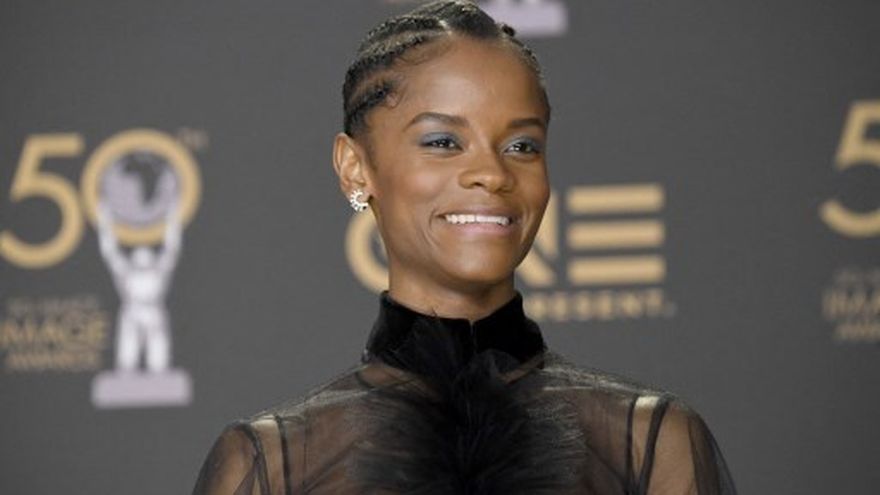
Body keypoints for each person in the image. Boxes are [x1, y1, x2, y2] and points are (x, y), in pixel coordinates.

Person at [192, 1, 737, 493]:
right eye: (443, 141)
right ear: (355, 167)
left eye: (521, 145)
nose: (492, 173)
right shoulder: (274, 463)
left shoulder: (647, 442)